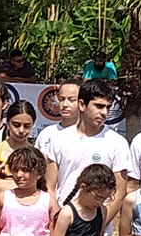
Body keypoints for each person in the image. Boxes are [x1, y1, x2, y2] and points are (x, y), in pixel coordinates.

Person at [44, 79, 131, 219]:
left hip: (97, 225)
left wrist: (100, 225)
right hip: (61, 219)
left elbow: (119, 193)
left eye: (108, 107)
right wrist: (57, 220)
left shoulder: (118, 143)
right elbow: (49, 187)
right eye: (99, 106)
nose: (104, 112)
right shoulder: (58, 138)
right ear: (82, 105)